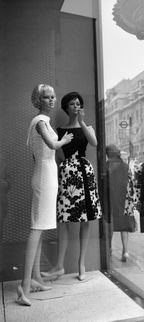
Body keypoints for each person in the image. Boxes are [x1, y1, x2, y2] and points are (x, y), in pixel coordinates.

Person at [17, 84, 73, 306]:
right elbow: (52, 145)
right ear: (37, 100)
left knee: (40, 228)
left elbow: (43, 152)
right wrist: (65, 141)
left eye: (52, 97)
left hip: (47, 176)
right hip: (44, 176)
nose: (51, 100)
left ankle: (36, 278)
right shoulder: (39, 122)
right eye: (46, 97)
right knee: (37, 228)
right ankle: (24, 285)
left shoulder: (44, 122)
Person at [41, 91, 101, 281]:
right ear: (66, 107)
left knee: (86, 219)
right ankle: (59, 265)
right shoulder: (59, 131)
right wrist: (66, 168)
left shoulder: (86, 126)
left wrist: (82, 122)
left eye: (78, 103)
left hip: (85, 172)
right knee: (64, 219)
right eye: (73, 104)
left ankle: (81, 264)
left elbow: (94, 142)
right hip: (67, 174)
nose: (76, 106)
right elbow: (58, 155)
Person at [105, 144, 136, 262]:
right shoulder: (125, 166)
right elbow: (131, 183)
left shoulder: (106, 166)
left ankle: (109, 248)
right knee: (124, 226)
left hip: (111, 198)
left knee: (110, 224)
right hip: (124, 199)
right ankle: (125, 251)